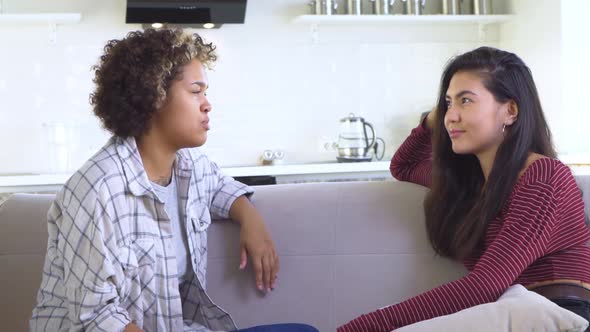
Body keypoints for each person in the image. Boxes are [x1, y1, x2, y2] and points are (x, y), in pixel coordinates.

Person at [30, 28, 318, 332]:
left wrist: (252, 220)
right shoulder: (98, 189)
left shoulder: (187, 168)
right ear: (153, 96)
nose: (207, 105)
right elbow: (97, 317)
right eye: (196, 91)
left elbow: (220, 187)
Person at [338, 46, 590, 331]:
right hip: (508, 311)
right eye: (447, 104)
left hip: (557, 314)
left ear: (510, 110)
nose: (451, 116)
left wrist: (361, 327)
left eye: (466, 101)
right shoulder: (470, 183)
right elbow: (404, 166)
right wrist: (434, 117)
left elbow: (485, 285)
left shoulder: (544, 176)